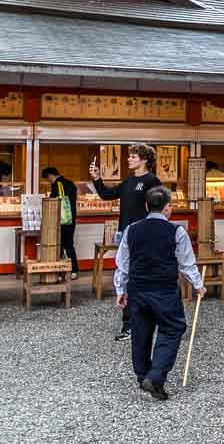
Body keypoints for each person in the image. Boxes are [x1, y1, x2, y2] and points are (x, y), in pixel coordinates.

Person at [114, 186, 204, 401]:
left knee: (141, 331)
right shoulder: (176, 231)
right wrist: (198, 285)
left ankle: (143, 375)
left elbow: (122, 264)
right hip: (163, 288)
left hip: (137, 288)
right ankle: (155, 376)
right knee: (173, 328)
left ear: (146, 206)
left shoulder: (132, 230)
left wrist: (120, 289)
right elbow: (187, 263)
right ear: (168, 208)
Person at [90, 143, 162, 340]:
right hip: (124, 234)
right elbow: (107, 195)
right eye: (129, 156)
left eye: (133, 156)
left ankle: (146, 321)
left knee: (141, 278)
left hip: (144, 235)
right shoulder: (128, 182)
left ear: (144, 160)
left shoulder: (152, 180)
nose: (129, 159)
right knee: (125, 277)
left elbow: (159, 206)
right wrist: (97, 178)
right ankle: (129, 324)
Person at [43, 167, 80, 279]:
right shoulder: (70, 183)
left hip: (61, 221)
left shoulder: (57, 185)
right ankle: (73, 271)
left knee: (59, 246)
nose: (49, 181)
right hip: (70, 219)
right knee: (69, 245)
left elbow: (53, 201)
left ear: (51, 176)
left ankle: (60, 272)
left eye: (48, 179)